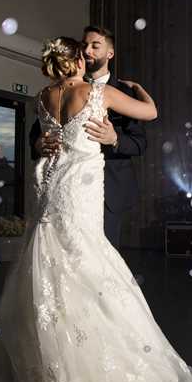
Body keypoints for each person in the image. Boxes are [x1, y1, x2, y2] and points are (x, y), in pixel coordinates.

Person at [0, 36, 192, 382]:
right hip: (80, 191)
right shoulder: (98, 92)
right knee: (89, 264)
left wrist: (52, 143)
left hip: (53, 190)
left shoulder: (43, 96)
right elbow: (150, 113)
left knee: (52, 266)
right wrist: (141, 91)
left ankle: (50, 380)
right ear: (76, 59)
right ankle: (95, 377)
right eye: (84, 52)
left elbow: (42, 141)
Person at [31, 25, 145, 248]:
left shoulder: (125, 92)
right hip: (63, 187)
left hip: (109, 192)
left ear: (110, 53)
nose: (87, 50)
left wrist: (115, 139)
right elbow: (37, 132)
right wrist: (38, 143)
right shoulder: (57, 91)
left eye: (95, 46)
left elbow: (140, 143)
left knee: (99, 257)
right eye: (84, 45)